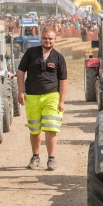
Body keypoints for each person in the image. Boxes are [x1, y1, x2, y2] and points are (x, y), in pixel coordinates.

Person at [16, 27, 67, 171]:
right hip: (32, 97)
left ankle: (51, 159)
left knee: (51, 128)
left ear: (55, 40)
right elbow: (20, 72)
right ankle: (35, 157)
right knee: (34, 129)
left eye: (50, 39)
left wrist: (61, 101)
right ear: (41, 39)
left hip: (52, 96)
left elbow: (63, 80)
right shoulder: (31, 53)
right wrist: (21, 92)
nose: (47, 41)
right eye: (45, 38)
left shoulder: (59, 58)